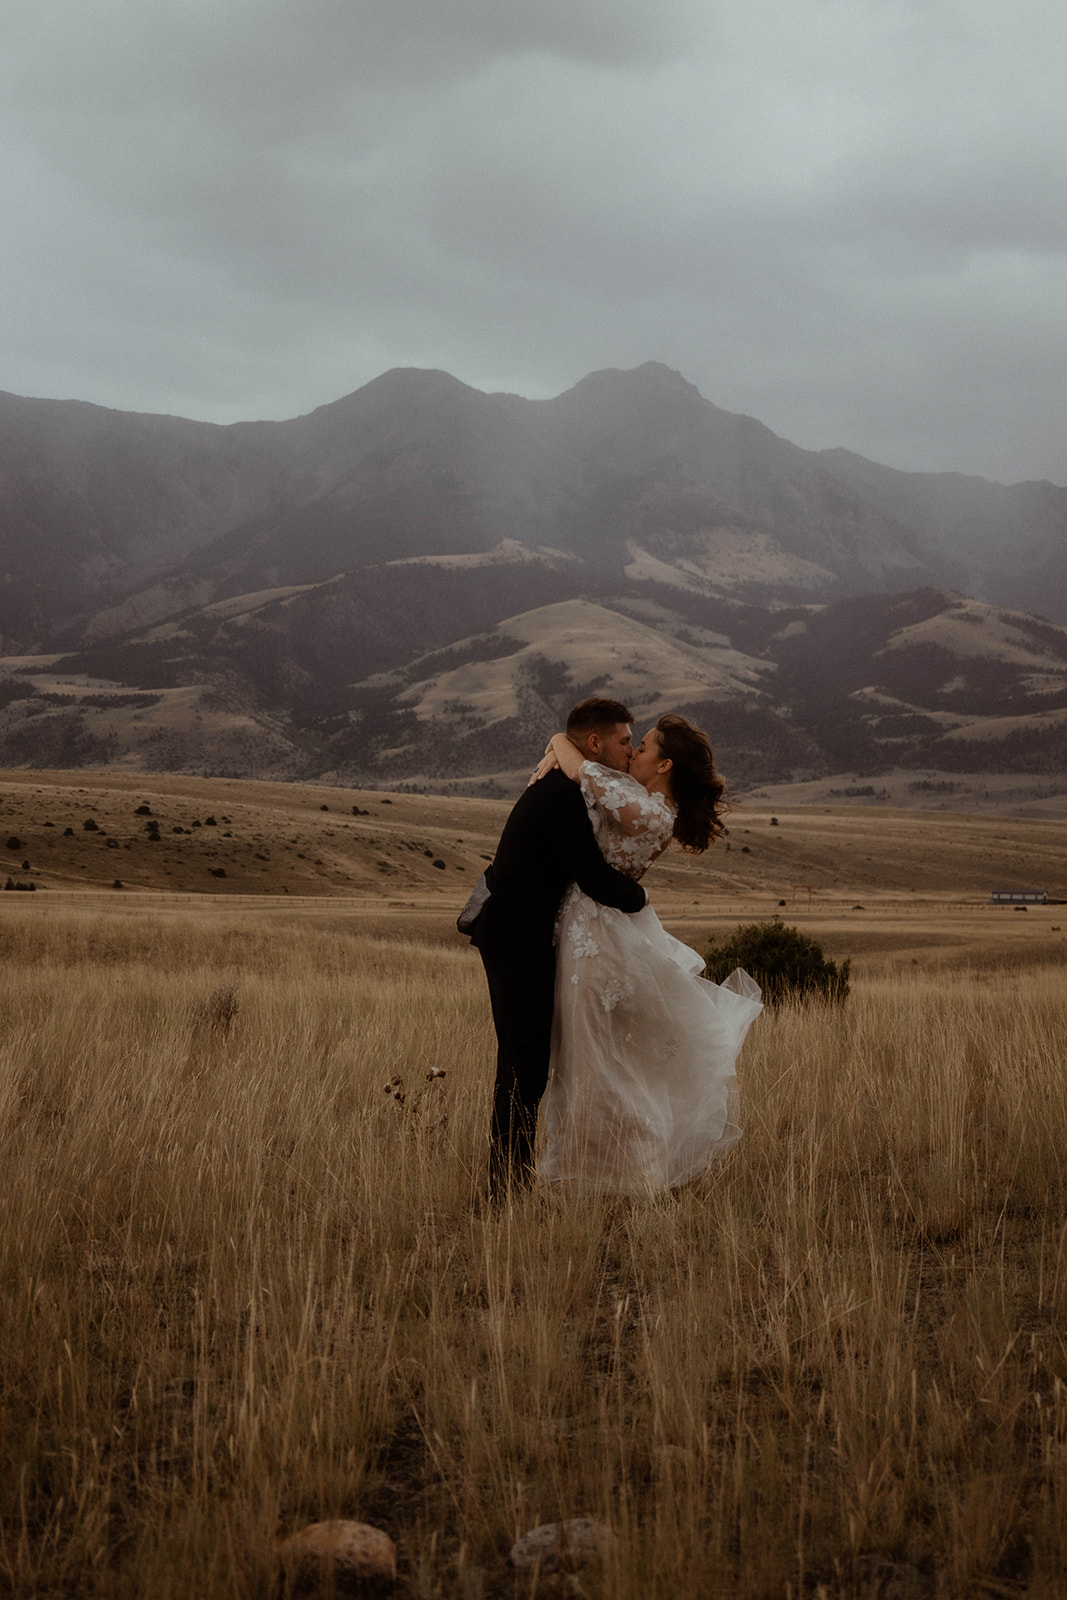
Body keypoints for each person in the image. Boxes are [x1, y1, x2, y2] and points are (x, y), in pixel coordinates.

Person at [533, 713, 763, 1193]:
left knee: (590, 1055)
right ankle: (599, 1168)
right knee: (588, 1054)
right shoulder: (644, 802)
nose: (634, 751)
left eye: (645, 746)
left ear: (665, 765)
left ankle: (610, 1170)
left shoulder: (652, 812)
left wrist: (558, 738)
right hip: (592, 929)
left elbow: (583, 771)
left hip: (596, 936)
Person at [470, 698, 648, 1195]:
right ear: (595, 743)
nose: (631, 750)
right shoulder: (559, 794)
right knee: (522, 1062)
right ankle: (504, 1187)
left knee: (524, 1061)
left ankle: (510, 1181)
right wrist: (643, 898)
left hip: (521, 933)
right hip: (513, 936)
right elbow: (593, 878)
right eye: (624, 740)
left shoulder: (566, 782)